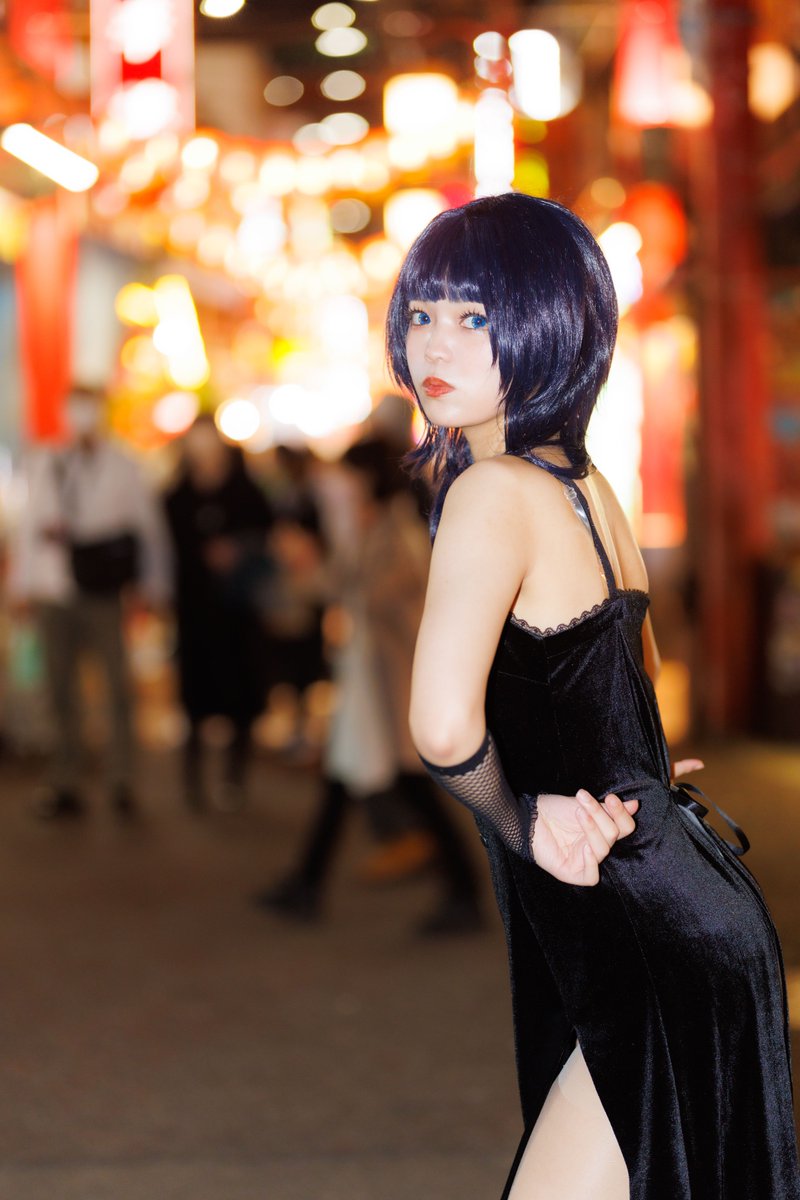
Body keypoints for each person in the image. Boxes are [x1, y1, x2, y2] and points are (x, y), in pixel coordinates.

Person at [387, 194, 800, 1198]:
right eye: (422, 311)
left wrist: (521, 818)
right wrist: (626, 762)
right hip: (679, 901)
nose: (435, 341)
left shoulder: (491, 493)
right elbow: (631, 665)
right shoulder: (583, 484)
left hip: (638, 925)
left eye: (475, 316)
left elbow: (441, 725)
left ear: (551, 325)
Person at [258, 438, 483, 935]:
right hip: (372, 684)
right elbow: (339, 585)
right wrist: (308, 564)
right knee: (349, 779)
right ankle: (308, 882)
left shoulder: (396, 530)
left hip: (392, 683)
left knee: (403, 784)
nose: (345, 485)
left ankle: (463, 892)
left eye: (352, 474)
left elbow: (374, 595)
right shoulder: (378, 525)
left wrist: (323, 562)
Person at [7, 386, 171, 817]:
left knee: (118, 687)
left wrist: (153, 587)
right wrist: (21, 588)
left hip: (101, 591)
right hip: (53, 589)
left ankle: (122, 779)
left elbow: (147, 531)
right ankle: (66, 778)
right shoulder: (46, 460)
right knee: (59, 688)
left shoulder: (123, 465)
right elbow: (28, 528)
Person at [164, 416, 273, 811]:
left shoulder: (247, 493)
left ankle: (234, 778)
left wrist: (239, 550)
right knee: (194, 698)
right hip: (194, 613)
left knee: (240, 695)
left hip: (238, 612)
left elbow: (269, 538)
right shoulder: (176, 497)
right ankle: (192, 782)